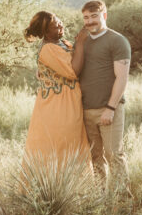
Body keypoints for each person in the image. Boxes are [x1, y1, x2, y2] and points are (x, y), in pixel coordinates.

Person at [71, 0, 131, 183]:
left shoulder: (117, 40)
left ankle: (122, 197)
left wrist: (110, 108)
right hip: (85, 109)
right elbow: (69, 67)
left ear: (104, 15)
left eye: (94, 16)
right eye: (86, 17)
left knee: (113, 154)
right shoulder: (82, 42)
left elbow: (122, 78)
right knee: (94, 156)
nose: (89, 21)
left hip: (108, 108)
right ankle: (101, 196)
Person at [22, 11, 91, 167]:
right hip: (58, 105)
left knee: (72, 143)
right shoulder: (48, 49)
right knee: (61, 143)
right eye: (56, 26)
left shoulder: (62, 43)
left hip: (68, 101)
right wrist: (80, 43)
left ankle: (72, 182)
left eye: (60, 22)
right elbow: (73, 72)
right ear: (46, 32)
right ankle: (56, 181)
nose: (61, 26)